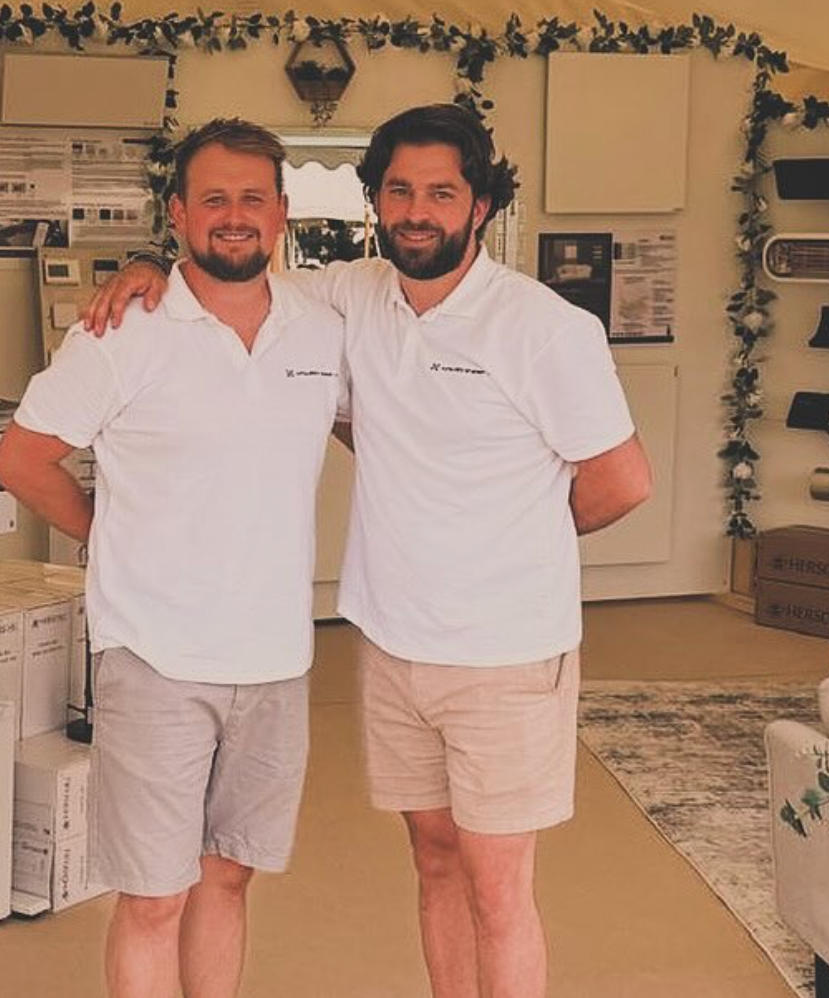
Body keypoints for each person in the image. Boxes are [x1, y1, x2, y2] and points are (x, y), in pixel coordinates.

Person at [83, 103, 651, 998]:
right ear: (375, 202)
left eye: (441, 193)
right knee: (433, 861)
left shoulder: (543, 327)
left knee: (499, 887)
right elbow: (230, 274)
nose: (416, 211)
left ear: (480, 206)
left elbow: (621, 481)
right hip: (392, 644)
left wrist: (514, 526)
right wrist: (146, 264)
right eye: (399, 191)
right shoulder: (348, 297)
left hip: (504, 653)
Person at [0, 118, 345, 998]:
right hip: (155, 657)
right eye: (214, 198)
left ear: (281, 212)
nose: (235, 215)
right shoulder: (123, 330)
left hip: (275, 660)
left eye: (253, 198)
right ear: (180, 213)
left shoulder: (322, 328)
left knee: (228, 877)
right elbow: (22, 456)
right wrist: (103, 529)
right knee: (154, 896)